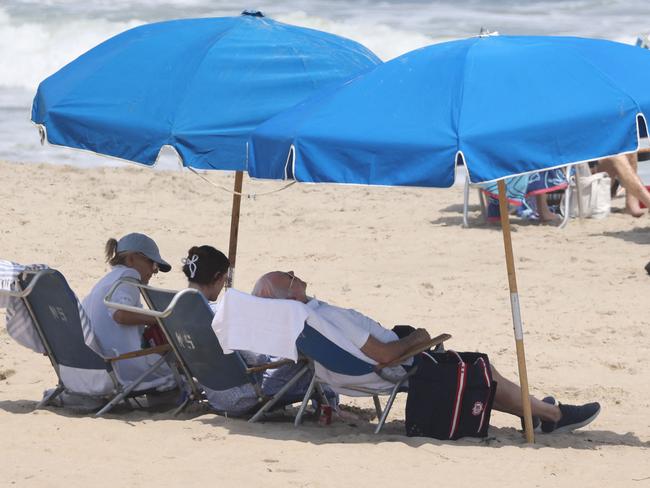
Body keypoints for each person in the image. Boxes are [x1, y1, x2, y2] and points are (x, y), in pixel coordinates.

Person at [253, 270, 601, 434]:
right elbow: (385, 355)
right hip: (388, 370)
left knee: (477, 371)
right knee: (480, 369)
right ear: (289, 296)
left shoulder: (300, 324)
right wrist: (418, 339)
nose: (294, 273)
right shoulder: (323, 319)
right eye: (287, 276)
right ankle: (552, 415)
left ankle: (533, 412)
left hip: (351, 372)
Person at [181, 246, 333, 416]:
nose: (224, 284)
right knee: (311, 353)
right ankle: (330, 405)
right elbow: (259, 358)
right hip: (242, 397)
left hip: (215, 394)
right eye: (224, 279)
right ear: (217, 277)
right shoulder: (219, 315)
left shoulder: (177, 309)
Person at [82, 232, 177, 391]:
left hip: (100, 365)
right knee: (178, 372)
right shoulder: (129, 276)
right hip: (123, 365)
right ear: (131, 259)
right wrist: (160, 318)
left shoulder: (106, 281)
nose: (154, 271)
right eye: (152, 263)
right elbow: (120, 314)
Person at [594, 152, 650, 217]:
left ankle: (631, 205)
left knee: (629, 151)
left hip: (594, 178)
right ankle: (648, 200)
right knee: (615, 157)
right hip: (585, 188)